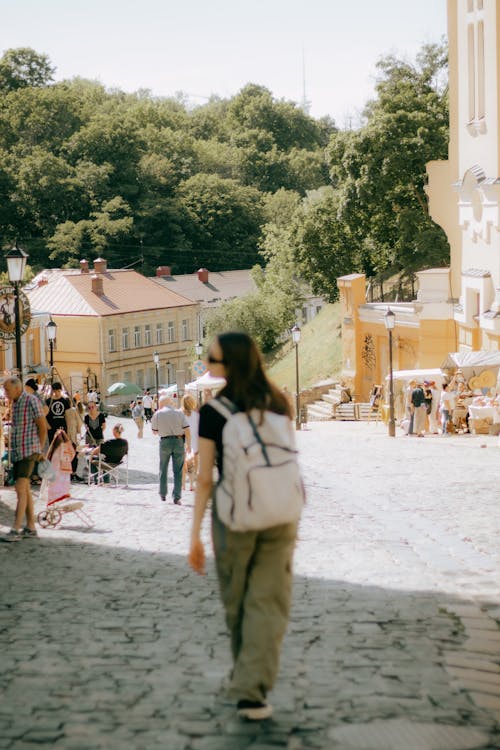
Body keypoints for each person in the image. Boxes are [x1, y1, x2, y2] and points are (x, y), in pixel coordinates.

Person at [188, 332, 298, 721]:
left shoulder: (214, 412)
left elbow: (204, 479)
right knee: (268, 600)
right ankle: (253, 685)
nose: (207, 363)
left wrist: (195, 535)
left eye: (211, 358)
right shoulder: (279, 402)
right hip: (282, 510)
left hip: (233, 514)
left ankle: (248, 687)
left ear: (228, 365)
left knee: (239, 600)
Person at [1, 377, 47, 542]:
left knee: (20, 488)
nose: (5, 393)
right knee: (25, 489)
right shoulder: (15, 402)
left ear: (17, 388)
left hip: (29, 451)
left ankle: (16, 529)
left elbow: (43, 427)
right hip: (18, 452)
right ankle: (31, 528)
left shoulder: (31, 401)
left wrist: (39, 450)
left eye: (6, 390)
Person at [151, 396, 191, 504]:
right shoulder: (179, 413)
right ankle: (177, 496)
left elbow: (154, 432)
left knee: (163, 468)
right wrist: (189, 445)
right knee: (178, 470)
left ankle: (163, 494)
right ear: (170, 403)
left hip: (164, 442)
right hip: (178, 441)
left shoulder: (158, 414)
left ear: (161, 404)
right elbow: (187, 429)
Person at [46, 429, 75, 505]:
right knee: (63, 485)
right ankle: (62, 499)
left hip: (56, 469)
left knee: (55, 485)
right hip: (66, 468)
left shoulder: (54, 448)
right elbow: (72, 454)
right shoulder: (68, 445)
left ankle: (54, 500)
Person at [181, 394, 199, 491]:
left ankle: (183, 484)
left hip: (183, 440)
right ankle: (192, 482)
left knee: (183, 463)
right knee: (193, 462)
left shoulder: (179, 414)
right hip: (194, 441)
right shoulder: (196, 415)